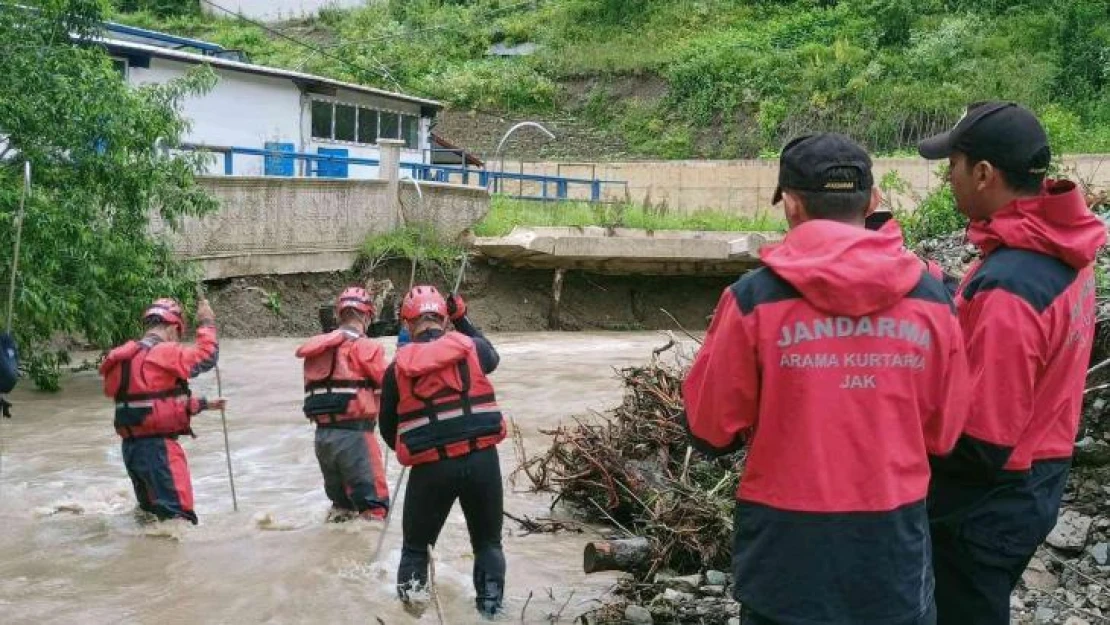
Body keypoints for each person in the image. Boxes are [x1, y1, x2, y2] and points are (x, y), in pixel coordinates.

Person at [683, 133, 970, 625]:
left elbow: (710, 429)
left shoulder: (753, 301)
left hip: (787, 558)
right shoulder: (931, 300)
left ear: (791, 204)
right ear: (873, 202)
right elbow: (945, 434)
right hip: (891, 553)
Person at [918, 102, 1108, 624]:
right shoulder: (1061, 247)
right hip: (1042, 468)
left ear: (983, 174)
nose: (947, 178)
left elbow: (983, 439)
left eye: (952, 165)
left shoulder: (1010, 286)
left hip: (991, 496)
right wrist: (953, 294)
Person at [378, 285, 506, 619]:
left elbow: (389, 431)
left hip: (432, 470)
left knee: (415, 550)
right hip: (482, 461)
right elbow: (493, 355)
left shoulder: (395, 370)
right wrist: (464, 320)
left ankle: (411, 613)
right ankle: (490, 613)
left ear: (407, 325)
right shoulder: (473, 348)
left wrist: (422, 449)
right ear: (445, 320)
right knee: (488, 545)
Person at [99, 297, 224, 524]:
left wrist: (204, 404)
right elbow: (207, 357)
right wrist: (206, 321)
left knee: (151, 518)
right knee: (178, 519)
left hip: (132, 450)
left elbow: (150, 403)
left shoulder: (126, 358)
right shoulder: (164, 352)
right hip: (160, 451)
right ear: (173, 328)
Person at [295, 287, 390, 522]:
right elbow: (392, 386)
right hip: (356, 439)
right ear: (367, 316)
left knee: (341, 510)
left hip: (323, 441)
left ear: (339, 315)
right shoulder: (367, 348)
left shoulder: (316, 351)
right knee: (374, 511)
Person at [0, 330, 18, 418]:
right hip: (12, 381)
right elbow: (16, 358)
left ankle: (2, 402)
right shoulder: (11, 347)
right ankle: (2, 402)